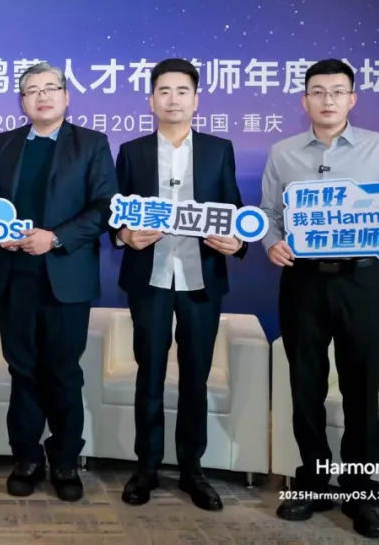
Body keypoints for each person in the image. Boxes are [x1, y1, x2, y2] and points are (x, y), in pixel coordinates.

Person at [261, 58, 379, 540]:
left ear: (352, 98)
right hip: (303, 282)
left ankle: (360, 492)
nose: (327, 100)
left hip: (361, 281)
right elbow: (269, 214)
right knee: (305, 384)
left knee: (361, 386)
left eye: (336, 91)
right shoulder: (283, 152)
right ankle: (312, 481)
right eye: (317, 91)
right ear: (304, 100)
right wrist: (272, 243)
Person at [111, 58, 246, 510]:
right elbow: (114, 214)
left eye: (182, 91)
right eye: (164, 91)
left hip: (200, 279)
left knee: (195, 378)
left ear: (196, 99)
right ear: (151, 100)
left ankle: (193, 470)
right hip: (149, 279)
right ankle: (146, 467)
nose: (173, 99)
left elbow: (234, 210)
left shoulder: (218, 149)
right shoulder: (131, 151)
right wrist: (124, 235)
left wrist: (237, 242)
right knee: (148, 375)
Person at [0, 61, 118, 502]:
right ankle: (26, 458)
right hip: (16, 278)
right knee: (22, 371)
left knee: (62, 373)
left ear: (66, 95)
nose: (42, 96)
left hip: (66, 279)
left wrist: (55, 238)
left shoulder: (91, 143)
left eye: (50, 88)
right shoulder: (5, 143)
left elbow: (105, 208)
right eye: (32, 90)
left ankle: (64, 460)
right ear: (22, 101)